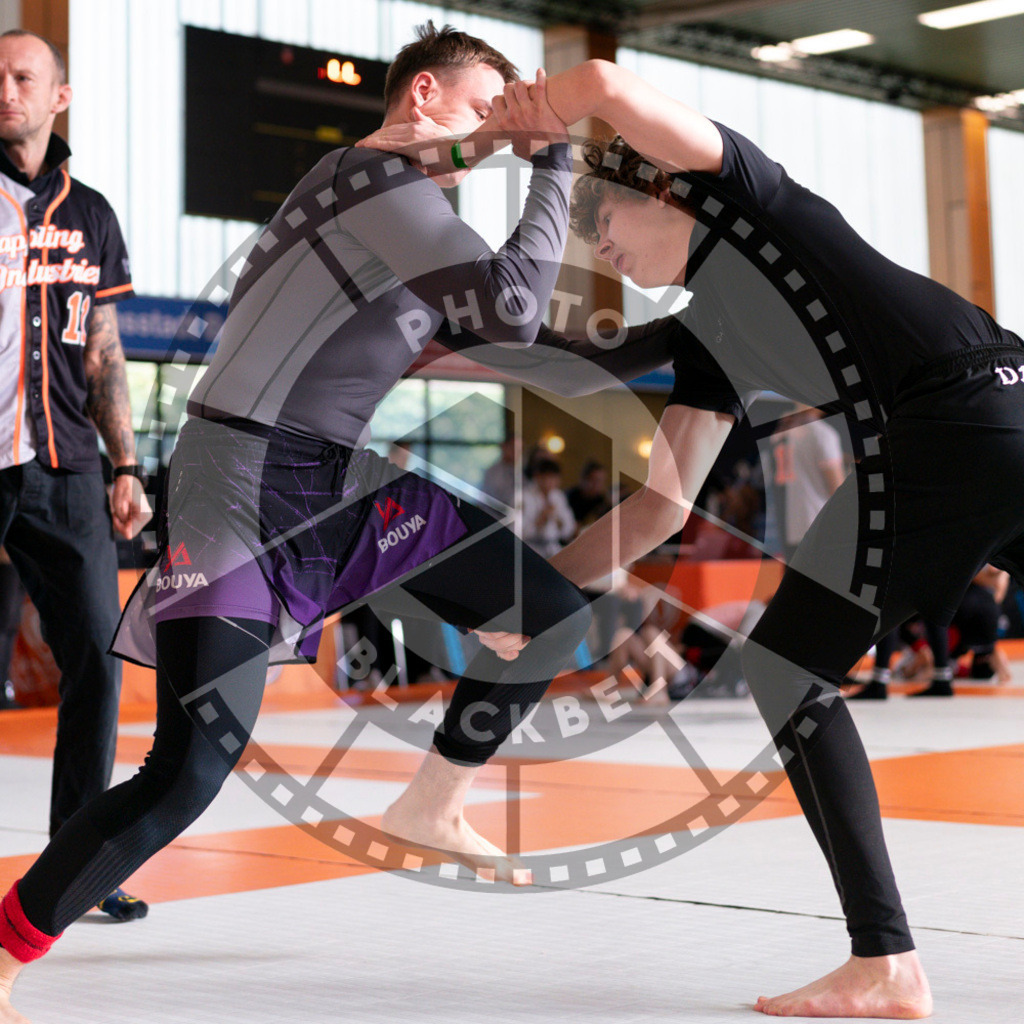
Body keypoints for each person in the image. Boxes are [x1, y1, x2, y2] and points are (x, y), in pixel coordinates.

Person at [359, 55, 1024, 1016]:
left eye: (603, 222)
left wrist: (525, 122)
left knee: (789, 668)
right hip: (1003, 418)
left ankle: (885, 962)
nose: (601, 248)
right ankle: (883, 962)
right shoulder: (714, 337)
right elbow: (657, 509)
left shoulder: (756, 204)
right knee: (793, 663)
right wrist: (539, 596)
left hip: (954, 422)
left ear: (661, 188)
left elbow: (599, 78)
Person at [0, 23, 597, 1019]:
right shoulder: (373, 185)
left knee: (551, 615)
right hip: (238, 479)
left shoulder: (395, 211)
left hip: (334, 482)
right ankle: (7, 944)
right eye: (480, 107)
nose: (493, 132)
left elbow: (468, 321)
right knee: (188, 768)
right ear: (419, 96)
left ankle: (430, 803)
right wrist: (557, 158)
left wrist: (507, 138)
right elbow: (514, 308)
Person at [0, 29, 152, 930]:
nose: (5, 89)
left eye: (23, 77)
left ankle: (73, 869)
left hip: (67, 471)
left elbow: (104, 350)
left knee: (98, 659)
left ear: (59, 97)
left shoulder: (89, 213)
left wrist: (127, 464)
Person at [520, 456, 575, 555]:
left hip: (553, 547)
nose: (549, 482)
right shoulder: (523, 497)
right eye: (546, 477)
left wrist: (558, 520)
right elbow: (517, 531)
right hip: (530, 547)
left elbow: (569, 528)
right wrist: (541, 518)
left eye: (553, 478)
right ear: (537, 476)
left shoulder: (558, 496)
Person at [566, 459, 611, 527]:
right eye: (595, 480)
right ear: (584, 479)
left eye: (602, 481)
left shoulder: (603, 502)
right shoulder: (569, 497)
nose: (599, 485)